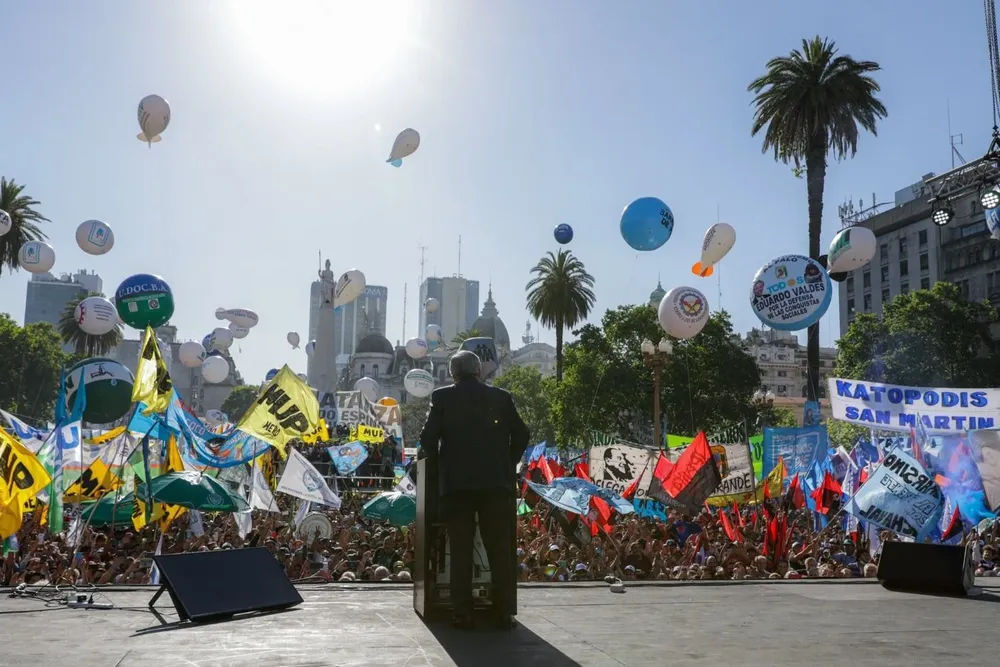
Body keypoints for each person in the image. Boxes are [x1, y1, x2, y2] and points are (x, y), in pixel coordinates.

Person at [419, 350, 530, 630]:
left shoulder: (442, 397)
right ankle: (503, 612)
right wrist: (507, 463)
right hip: (495, 485)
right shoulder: (501, 397)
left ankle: (462, 613)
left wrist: (437, 467)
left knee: (460, 549)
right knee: (499, 549)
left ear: (454, 373)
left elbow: (427, 438)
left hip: (457, 487)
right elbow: (522, 434)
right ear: (479, 371)